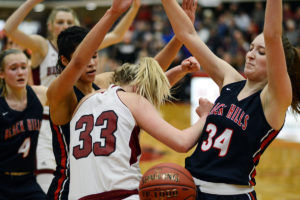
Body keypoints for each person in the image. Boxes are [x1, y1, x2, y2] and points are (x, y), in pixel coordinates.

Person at [47, 1, 198, 199]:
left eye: (95, 56)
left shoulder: (101, 83)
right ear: (65, 61)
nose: (91, 63)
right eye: (86, 58)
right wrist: (113, 12)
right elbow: (77, 64)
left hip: (102, 185)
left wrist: (180, 37)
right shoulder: (59, 92)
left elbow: (145, 78)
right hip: (69, 185)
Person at [161, 0, 300, 199]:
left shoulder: (274, 100)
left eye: (261, 52)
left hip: (230, 195)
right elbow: (188, 34)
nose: (250, 55)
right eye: (251, 48)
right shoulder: (231, 80)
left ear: (278, 64)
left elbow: (272, 35)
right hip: (192, 189)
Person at [4, 0, 142, 193]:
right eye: (59, 21)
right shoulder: (42, 46)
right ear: (50, 26)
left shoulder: (92, 63)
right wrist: (31, 3)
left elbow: (119, 39)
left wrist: (135, 8)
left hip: (81, 118)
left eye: (69, 21)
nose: (64, 25)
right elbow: (10, 29)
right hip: (50, 113)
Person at [0, 48, 47, 199]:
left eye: (23, 67)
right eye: (13, 68)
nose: (20, 72)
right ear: (1, 74)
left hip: (28, 181)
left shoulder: (40, 94)